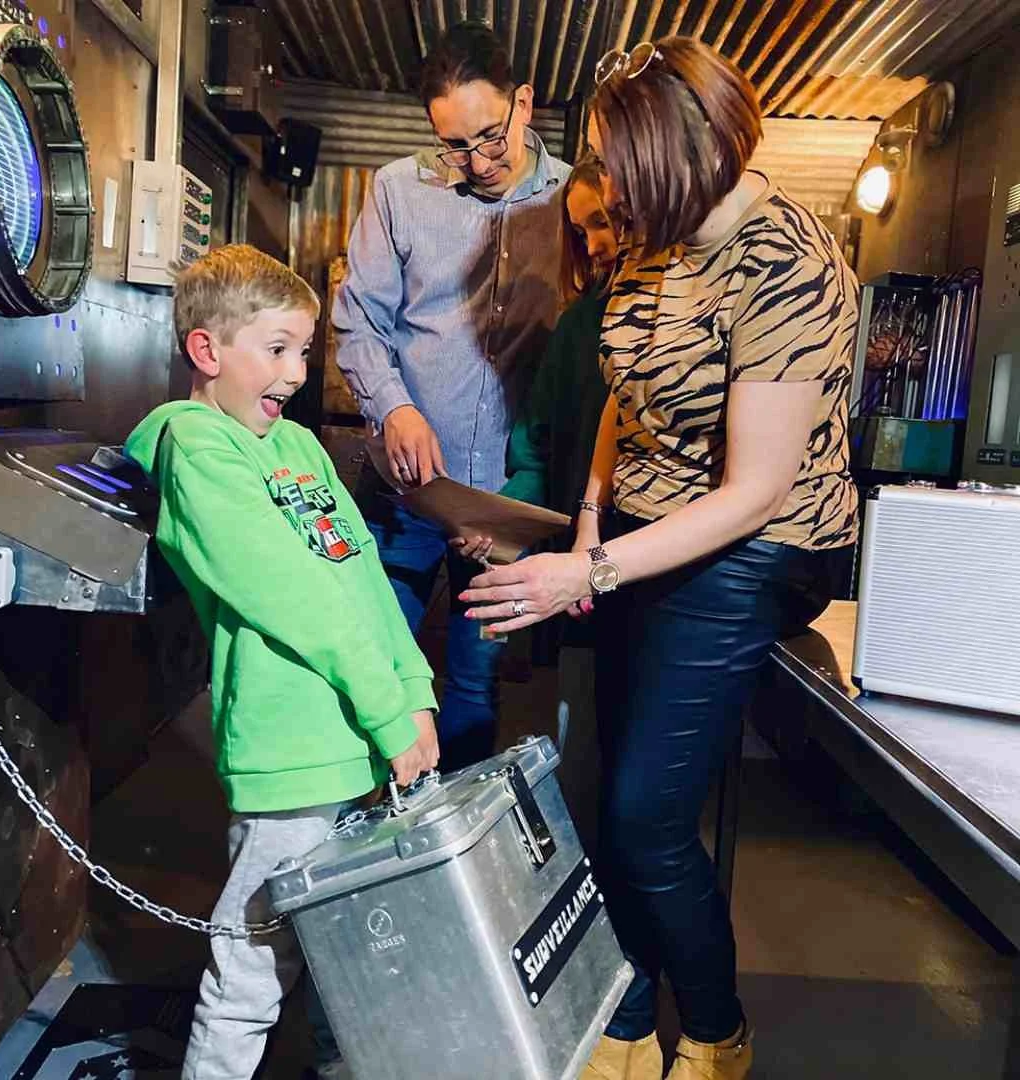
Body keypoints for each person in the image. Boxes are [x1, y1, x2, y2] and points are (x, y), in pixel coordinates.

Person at [461, 38, 859, 1080]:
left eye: (622, 164)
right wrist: (593, 522)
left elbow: (755, 489)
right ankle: (629, 1012)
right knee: (612, 793)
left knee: (644, 819)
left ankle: (719, 1037)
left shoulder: (789, 260)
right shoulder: (656, 237)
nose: (611, 191)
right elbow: (622, 395)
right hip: (643, 533)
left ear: (692, 153)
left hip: (755, 547)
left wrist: (582, 576)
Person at [124, 244, 439, 1080]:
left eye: (305, 350)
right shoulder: (198, 450)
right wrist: (384, 704)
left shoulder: (298, 448)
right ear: (207, 350)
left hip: (362, 745)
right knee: (254, 971)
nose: (297, 371)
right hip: (290, 754)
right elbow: (289, 590)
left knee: (356, 963)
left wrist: (413, 696)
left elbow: (360, 575)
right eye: (276, 348)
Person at [332, 20, 570, 772]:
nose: (475, 162)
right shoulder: (399, 190)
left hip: (504, 503)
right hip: (405, 494)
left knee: (472, 695)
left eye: (490, 137)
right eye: (454, 146)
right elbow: (359, 320)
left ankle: (445, 868)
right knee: (375, 681)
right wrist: (394, 407)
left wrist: (527, 504)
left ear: (524, 102)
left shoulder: (577, 202)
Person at [453, 151, 621, 852]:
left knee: (640, 797)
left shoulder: (684, 316)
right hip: (583, 595)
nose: (596, 244)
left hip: (660, 579)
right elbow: (536, 451)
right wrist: (497, 524)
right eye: (582, 232)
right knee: (580, 763)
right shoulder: (579, 328)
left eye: (604, 223)